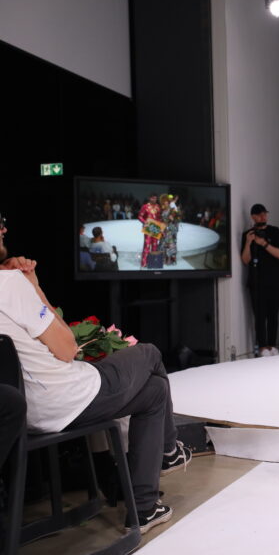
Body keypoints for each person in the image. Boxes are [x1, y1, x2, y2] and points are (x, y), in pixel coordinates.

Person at [0, 216, 192, 534]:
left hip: (26, 412)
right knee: (150, 353)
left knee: (155, 392)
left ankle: (145, 507)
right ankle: (169, 451)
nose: (5, 228)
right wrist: (34, 287)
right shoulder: (9, 283)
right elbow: (67, 349)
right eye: (0, 223)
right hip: (66, 398)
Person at [240, 203, 279, 357]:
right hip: (256, 283)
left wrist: (263, 243)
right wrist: (248, 242)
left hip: (275, 282)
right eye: (259, 215)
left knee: (273, 316)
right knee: (259, 316)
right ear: (253, 217)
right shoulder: (248, 234)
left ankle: (273, 346)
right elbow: (245, 260)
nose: (263, 217)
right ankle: (262, 347)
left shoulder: (275, 231)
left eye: (265, 214)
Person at [137, 194, 162, 268]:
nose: (154, 199)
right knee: (147, 246)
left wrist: (161, 226)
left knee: (155, 246)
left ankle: (152, 263)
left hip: (156, 227)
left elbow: (159, 217)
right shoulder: (145, 206)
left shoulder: (158, 207)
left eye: (155, 198)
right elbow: (140, 216)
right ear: (149, 198)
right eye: (153, 198)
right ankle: (144, 263)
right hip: (148, 226)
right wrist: (145, 222)